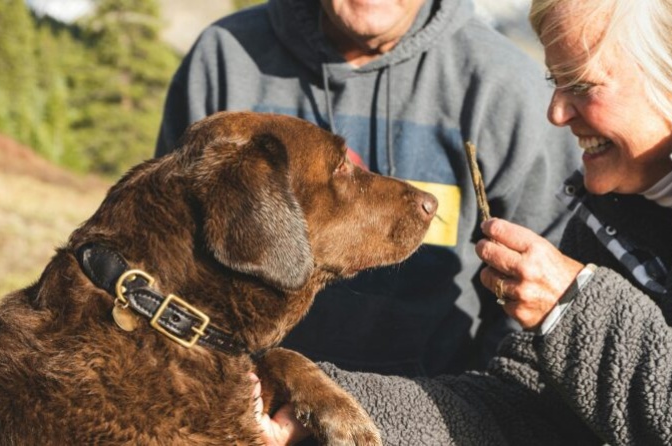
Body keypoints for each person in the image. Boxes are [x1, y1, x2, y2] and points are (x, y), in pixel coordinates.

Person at [256, 0, 672, 443]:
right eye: (554, 82)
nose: (556, 113)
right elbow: (521, 415)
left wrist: (575, 308)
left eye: (581, 84)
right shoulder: (606, 218)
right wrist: (318, 407)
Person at [155, 0, 579, 377]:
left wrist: (477, 418)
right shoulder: (227, 58)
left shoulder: (504, 87)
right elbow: (169, 259)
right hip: (247, 406)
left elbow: (538, 302)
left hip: (435, 415)